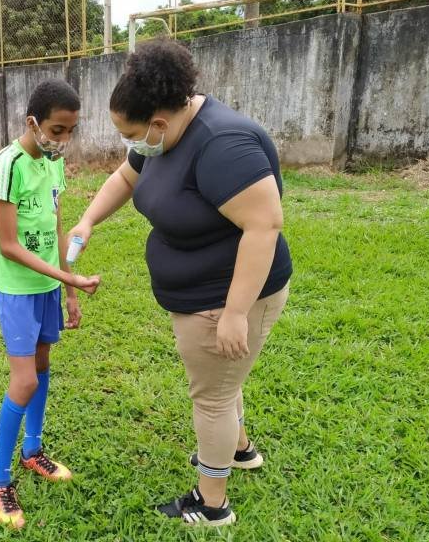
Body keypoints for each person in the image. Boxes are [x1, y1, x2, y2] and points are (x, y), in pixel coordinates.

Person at [69, 39, 292, 526]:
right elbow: (125, 179)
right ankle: (240, 451)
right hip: (202, 293)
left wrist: (235, 312)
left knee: (211, 397)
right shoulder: (167, 135)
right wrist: (88, 222)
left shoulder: (221, 144)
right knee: (223, 382)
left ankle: (212, 504)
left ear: (159, 123)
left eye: (131, 134)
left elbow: (264, 226)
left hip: (228, 294)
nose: (129, 144)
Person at [0, 79, 101, 530]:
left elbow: (54, 227)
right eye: (56, 130)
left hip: (49, 287)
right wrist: (69, 278)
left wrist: (67, 290)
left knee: (44, 361)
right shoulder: (6, 165)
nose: (62, 141)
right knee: (24, 379)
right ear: (32, 123)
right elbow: (10, 245)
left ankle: (33, 452)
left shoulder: (54, 165)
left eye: (71, 131)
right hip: (17, 288)